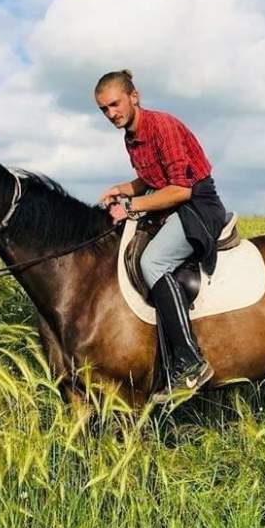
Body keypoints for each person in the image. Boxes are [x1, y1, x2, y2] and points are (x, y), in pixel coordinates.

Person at [95, 69, 227, 402]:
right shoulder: (130, 136)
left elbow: (180, 189)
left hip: (197, 204)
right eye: (104, 110)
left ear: (133, 96)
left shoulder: (162, 126)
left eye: (115, 104)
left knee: (151, 262)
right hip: (168, 201)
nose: (111, 114)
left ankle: (191, 362)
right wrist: (122, 188)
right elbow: (150, 178)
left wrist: (131, 206)